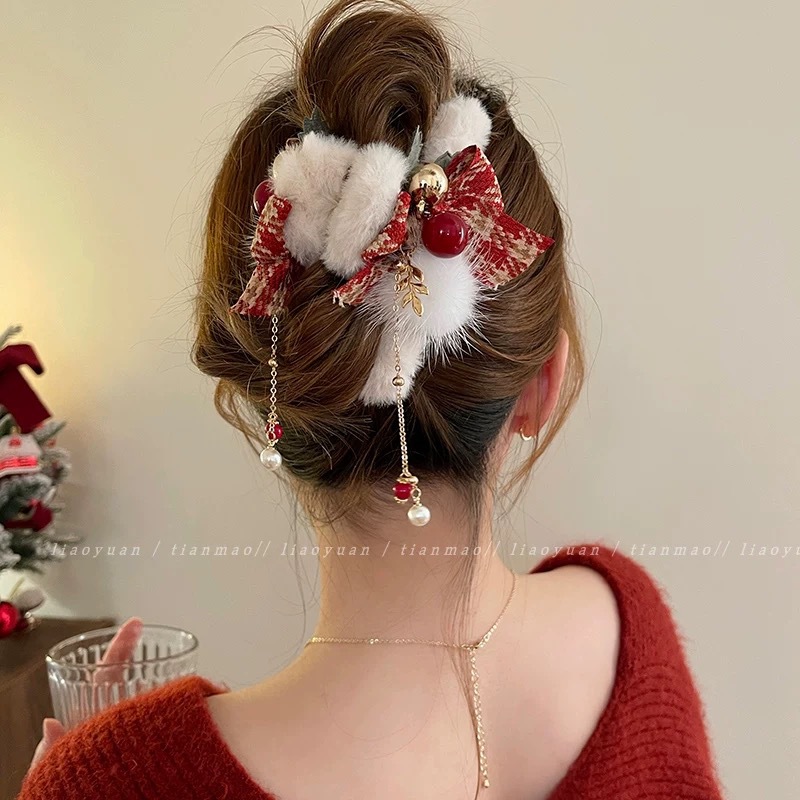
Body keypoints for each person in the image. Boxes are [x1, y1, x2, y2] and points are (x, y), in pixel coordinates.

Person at [19, 1, 726, 798]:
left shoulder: (115, 779)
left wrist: (97, 777)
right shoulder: (629, 632)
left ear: (262, 400)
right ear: (545, 384)